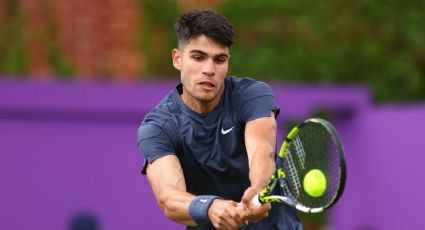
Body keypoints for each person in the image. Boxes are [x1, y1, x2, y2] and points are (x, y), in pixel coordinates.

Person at [137, 9, 303, 230]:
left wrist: (257, 190)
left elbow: (262, 151)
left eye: (219, 60)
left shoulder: (252, 95)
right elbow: (169, 198)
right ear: (177, 59)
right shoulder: (158, 127)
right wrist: (211, 207)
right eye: (198, 57)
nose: (209, 69)